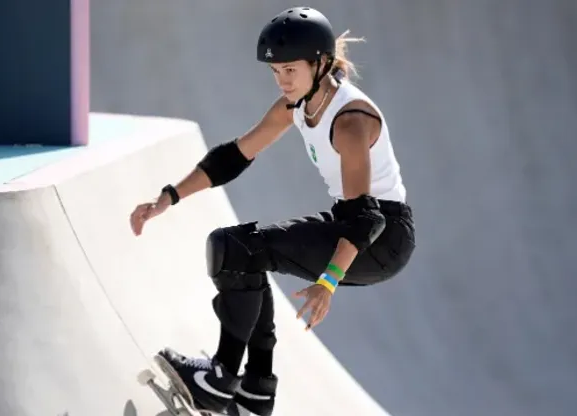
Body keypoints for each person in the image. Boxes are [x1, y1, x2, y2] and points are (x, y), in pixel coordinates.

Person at [129, 6, 415, 416]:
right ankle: (255, 392)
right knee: (243, 254)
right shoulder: (297, 105)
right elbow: (235, 155)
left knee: (234, 248)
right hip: (354, 224)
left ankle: (219, 377)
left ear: (320, 64)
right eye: (276, 71)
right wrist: (169, 196)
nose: (282, 81)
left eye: (290, 70)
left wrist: (328, 282)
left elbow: (368, 218)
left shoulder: (350, 122)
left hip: (380, 237)